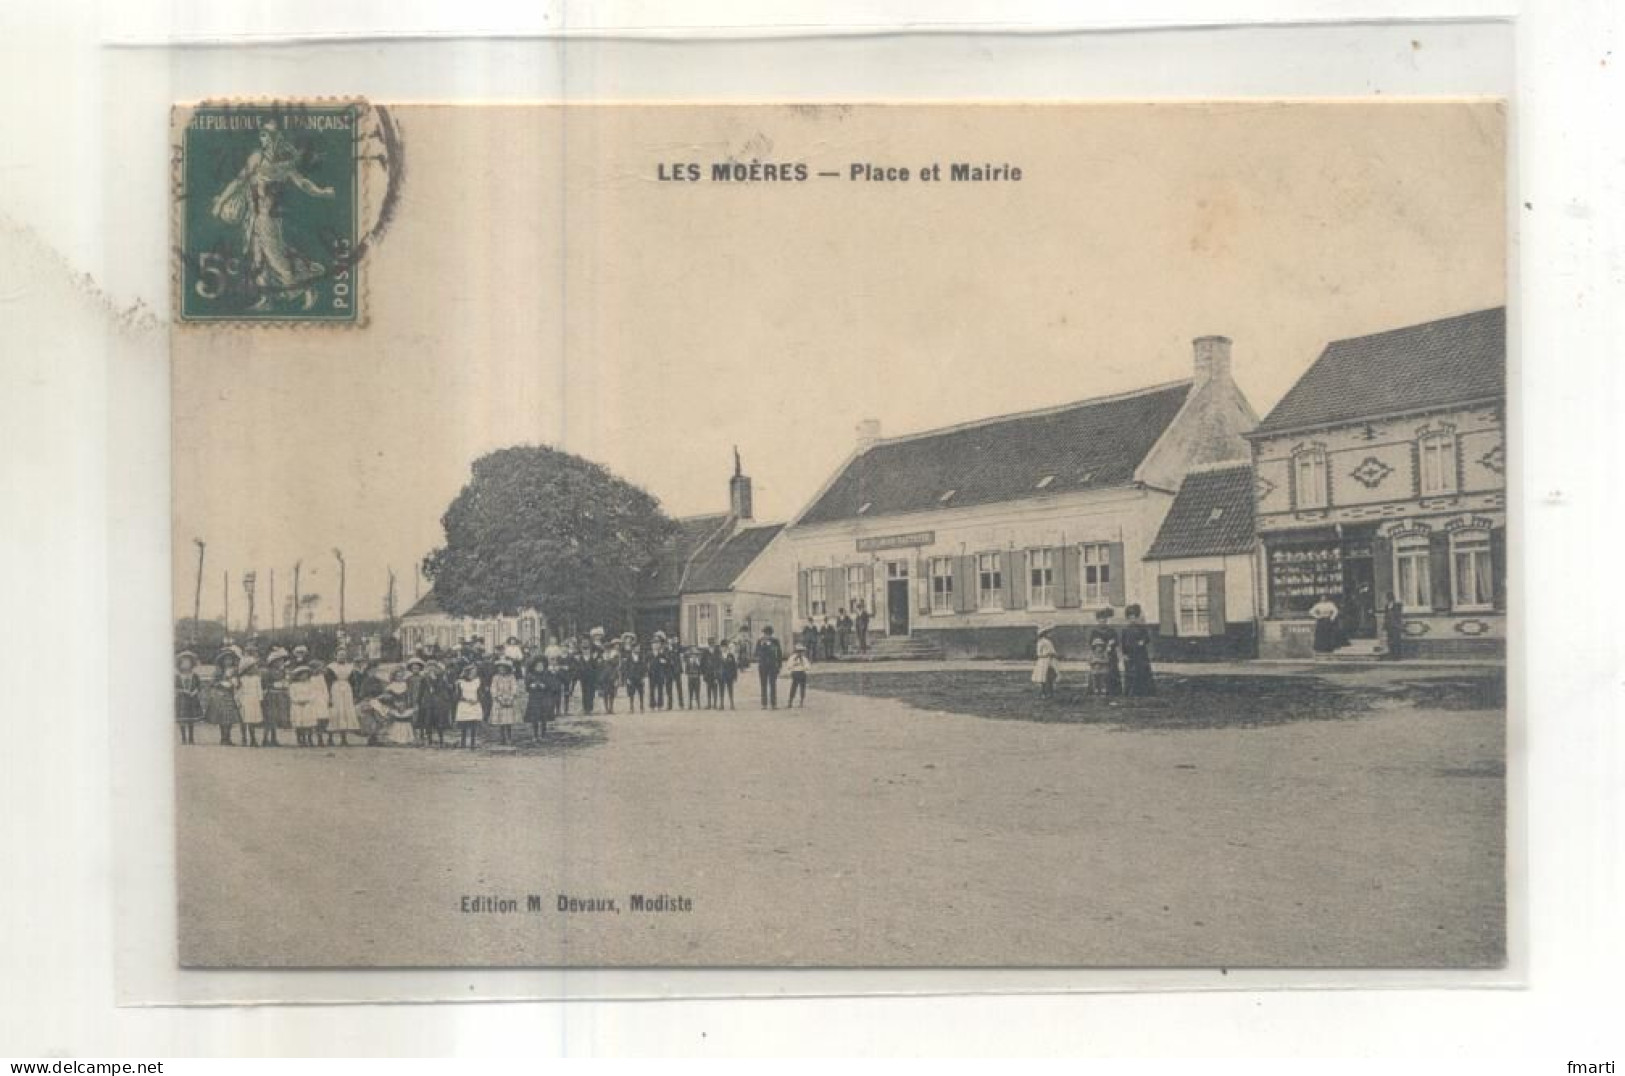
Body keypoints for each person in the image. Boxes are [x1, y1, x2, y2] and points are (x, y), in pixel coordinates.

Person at [323, 649, 365, 746]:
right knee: (335, 712)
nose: (342, 657)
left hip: (346, 689)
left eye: (344, 655)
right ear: (336, 656)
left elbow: (353, 682)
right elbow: (327, 682)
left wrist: (354, 694)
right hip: (335, 689)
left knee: (345, 712)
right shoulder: (331, 667)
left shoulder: (350, 667)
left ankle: (343, 738)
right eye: (340, 655)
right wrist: (328, 695)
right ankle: (330, 738)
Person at [205, 649, 243, 745]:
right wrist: (221, 683)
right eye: (226, 659)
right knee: (222, 718)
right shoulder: (218, 671)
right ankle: (223, 738)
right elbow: (212, 683)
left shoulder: (235, 671)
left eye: (230, 659)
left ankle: (228, 737)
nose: (228, 661)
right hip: (220, 695)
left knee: (229, 718)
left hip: (230, 695)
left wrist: (235, 682)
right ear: (222, 661)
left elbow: (239, 684)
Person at [1120, 604, 1156, 697]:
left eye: (1134, 617)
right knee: (1130, 673)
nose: (1133, 620)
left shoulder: (1141, 628)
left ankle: (1144, 691)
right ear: (1127, 618)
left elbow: (1147, 638)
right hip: (1130, 654)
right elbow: (1123, 643)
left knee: (1142, 671)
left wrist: (1142, 641)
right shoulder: (1125, 630)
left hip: (1141, 654)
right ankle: (1130, 691)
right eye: (1130, 617)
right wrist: (1124, 654)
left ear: (1137, 617)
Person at [287, 664, 326, 746]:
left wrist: (307, 700)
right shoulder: (293, 685)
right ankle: (301, 739)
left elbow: (313, 694)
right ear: (298, 676)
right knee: (299, 723)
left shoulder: (310, 684)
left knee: (309, 723)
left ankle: (309, 738)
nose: (304, 676)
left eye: (306, 674)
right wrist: (298, 701)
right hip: (297, 705)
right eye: (302, 675)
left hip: (308, 705)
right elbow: (292, 695)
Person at [418, 660, 453, 747]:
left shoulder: (441, 677)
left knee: (439, 721)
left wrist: (435, 681)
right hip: (428, 702)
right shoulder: (424, 678)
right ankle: (429, 739)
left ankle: (441, 739)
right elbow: (421, 690)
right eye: (429, 666)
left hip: (438, 702)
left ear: (436, 668)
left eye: (433, 666)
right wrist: (418, 701)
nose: (431, 668)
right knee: (428, 721)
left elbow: (443, 688)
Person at [1088, 608, 1122, 696]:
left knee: (1112, 672)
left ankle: (1113, 691)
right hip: (1099, 656)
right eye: (1100, 619)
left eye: (1104, 619)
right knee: (1098, 673)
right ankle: (1097, 690)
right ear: (1097, 620)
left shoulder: (1112, 631)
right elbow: (1091, 645)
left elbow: (1117, 643)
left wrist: (1115, 648)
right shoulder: (1094, 632)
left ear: (1107, 620)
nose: (1102, 621)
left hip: (1111, 656)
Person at [260, 648, 290, 746]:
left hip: (279, 695)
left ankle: (274, 738)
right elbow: (264, 684)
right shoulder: (267, 672)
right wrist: (274, 685)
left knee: (276, 718)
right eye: (278, 661)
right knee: (269, 718)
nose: (281, 662)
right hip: (270, 696)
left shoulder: (282, 672)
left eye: (281, 660)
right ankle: (265, 738)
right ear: (273, 662)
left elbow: (285, 682)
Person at [237, 654, 267, 746]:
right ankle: (244, 738)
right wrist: (239, 701)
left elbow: (259, 690)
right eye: (252, 667)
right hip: (245, 700)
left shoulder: (257, 678)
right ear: (247, 669)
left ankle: (253, 738)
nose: (255, 669)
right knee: (244, 719)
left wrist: (260, 700)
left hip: (254, 700)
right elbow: (239, 691)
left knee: (252, 720)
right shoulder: (242, 679)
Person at [174, 651, 203, 745]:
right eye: (183, 662)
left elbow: (199, 686)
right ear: (179, 664)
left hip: (192, 699)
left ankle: (191, 738)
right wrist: (183, 691)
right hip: (182, 699)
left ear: (192, 664)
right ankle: (183, 738)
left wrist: (194, 692)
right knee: (182, 719)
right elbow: (175, 687)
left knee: (191, 719)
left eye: (188, 662)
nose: (186, 664)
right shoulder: (177, 676)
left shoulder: (195, 676)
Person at [524, 656, 557, 737]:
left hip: (544, 698)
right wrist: (531, 686)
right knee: (534, 717)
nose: (539, 668)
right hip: (534, 699)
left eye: (541, 666)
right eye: (538, 666)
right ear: (534, 667)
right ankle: (535, 734)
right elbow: (527, 688)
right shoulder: (531, 676)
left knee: (543, 717)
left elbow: (552, 686)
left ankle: (543, 734)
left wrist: (544, 686)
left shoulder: (546, 675)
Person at [488, 659, 520, 744]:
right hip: (499, 700)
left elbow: (514, 688)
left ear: (507, 668)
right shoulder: (495, 677)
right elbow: (493, 689)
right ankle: (502, 738)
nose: (501, 670)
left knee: (508, 720)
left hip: (509, 699)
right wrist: (498, 698)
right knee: (501, 720)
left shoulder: (511, 677)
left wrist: (511, 697)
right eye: (500, 668)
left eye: (503, 668)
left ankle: (509, 737)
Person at [454, 664, 485, 748]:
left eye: (475, 672)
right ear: (467, 673)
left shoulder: (477, 681)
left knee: (473, 724)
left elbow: (481, 693)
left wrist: (477, 700)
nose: (474, 674)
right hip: (464, 704)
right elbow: (457, 696)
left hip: (475, 704)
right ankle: (463, 743)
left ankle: (472, 743)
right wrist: (466, 699)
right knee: (464, 724)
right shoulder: (461, 682)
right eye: (472, 672)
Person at [381, 675, 417, 746]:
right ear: (395, 677)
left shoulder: (405, 685)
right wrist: (393, 702)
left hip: (404, 703)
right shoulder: (391, 685)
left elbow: (408, 695)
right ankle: (394, 738)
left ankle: (406, 738)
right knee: (394, 721)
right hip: (394, 703)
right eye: (397, 676)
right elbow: (386, 695)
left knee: (405, 719)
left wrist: (406, 704)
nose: (399, 678)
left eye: (401, 676)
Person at [755, 625, 783, 709]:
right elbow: (756, 653)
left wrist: (779, 665)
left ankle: (773, 704)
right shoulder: (760, 641)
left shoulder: (775, 641)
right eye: (765, 634)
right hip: (763, 666)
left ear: (771, 634)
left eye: (767, 634)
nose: (766, 636)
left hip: (772, 666)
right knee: (763, 685)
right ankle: (764, 704)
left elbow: (779, 654)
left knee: (773, 685)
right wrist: (763, 646)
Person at [1032, 626, 1060, 698]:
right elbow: (1039, 654)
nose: (1050, 634)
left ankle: (1050, 693)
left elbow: (1053, 651)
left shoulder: (1049, 641)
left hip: (1050, 661)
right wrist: (1047, 654)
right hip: (1043, 662)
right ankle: (1042, 693)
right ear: (1044, 633)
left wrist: (1054, 655)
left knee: (1050, 677)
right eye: (1048, 632)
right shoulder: (1041, 642)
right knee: (1043, 678)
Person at [620, 636, 646, 713]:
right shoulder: (628, 657)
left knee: (641, 692)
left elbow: (644, 667)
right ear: (633, 648)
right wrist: (627, 678)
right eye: (637, 648)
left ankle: (641, 706)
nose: (638, 649)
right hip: (631, 678)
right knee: (631, 693)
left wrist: (643, 677)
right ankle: (631, 707)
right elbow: (625, 668)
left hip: (639, 677)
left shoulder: (641, 657)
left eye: (639, 648)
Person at [1382, 591, 1405, 661]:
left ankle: (1397, 656)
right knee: (1390, 641)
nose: (1388, 599)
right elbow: (1385, 616)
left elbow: (1398, 615)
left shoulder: (1397, 605)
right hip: (1389, 626)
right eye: (1387, 597)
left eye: (1389, 597)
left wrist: (1399, 624)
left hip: (1396, 625)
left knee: (1396, 641)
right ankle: (1391, 654)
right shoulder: (1387, 606)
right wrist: (1384, 625)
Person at [716, 643, 738, 710]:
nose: (724, 648)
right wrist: (716, 676)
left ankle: (732, 704)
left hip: (729, 675)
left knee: (730, 689)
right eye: (722, 647)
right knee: (721, 689)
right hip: (721, 675)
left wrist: (735, 676)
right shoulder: (718, 656)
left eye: (725, 647)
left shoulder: (730, 655)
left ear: (727, 648)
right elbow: (716, 666)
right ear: (720, 648)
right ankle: (721, 704)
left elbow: (734, 666)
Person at [683, 644, 705, 709]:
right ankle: (690, 704)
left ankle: (698, 704)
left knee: (697, 691)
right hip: (690, 678)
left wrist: (698, 664)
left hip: (697, 677)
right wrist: (689, 671)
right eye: (692, 655)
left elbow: (701, 670)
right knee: (690, 691)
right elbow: (686, 671)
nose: (693, 656)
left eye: (695, 655)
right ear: (690, 655)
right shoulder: (688, 662)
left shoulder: (698, 662)